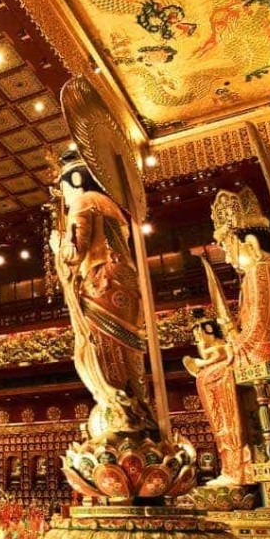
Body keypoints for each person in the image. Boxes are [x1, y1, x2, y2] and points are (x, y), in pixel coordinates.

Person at [186, 187, 270, 484]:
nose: (229, 258)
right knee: (211, 368)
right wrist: (229, 342)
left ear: (250, 243)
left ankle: (238, 465)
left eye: (230, 248)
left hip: (268, 351)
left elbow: (258, 331)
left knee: (211, 377)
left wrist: (228, 349)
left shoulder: (261, 272)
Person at [50, 149, 158, 444]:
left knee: (97, 347)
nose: (64, 197)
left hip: (101, 281)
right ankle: (139, 408)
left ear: (75, 180)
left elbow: (74, 253)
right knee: (127, 346)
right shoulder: (112, 206)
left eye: (63, 188)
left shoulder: (84, 202)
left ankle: (121, 412)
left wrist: (57, 245)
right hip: (127, 285)